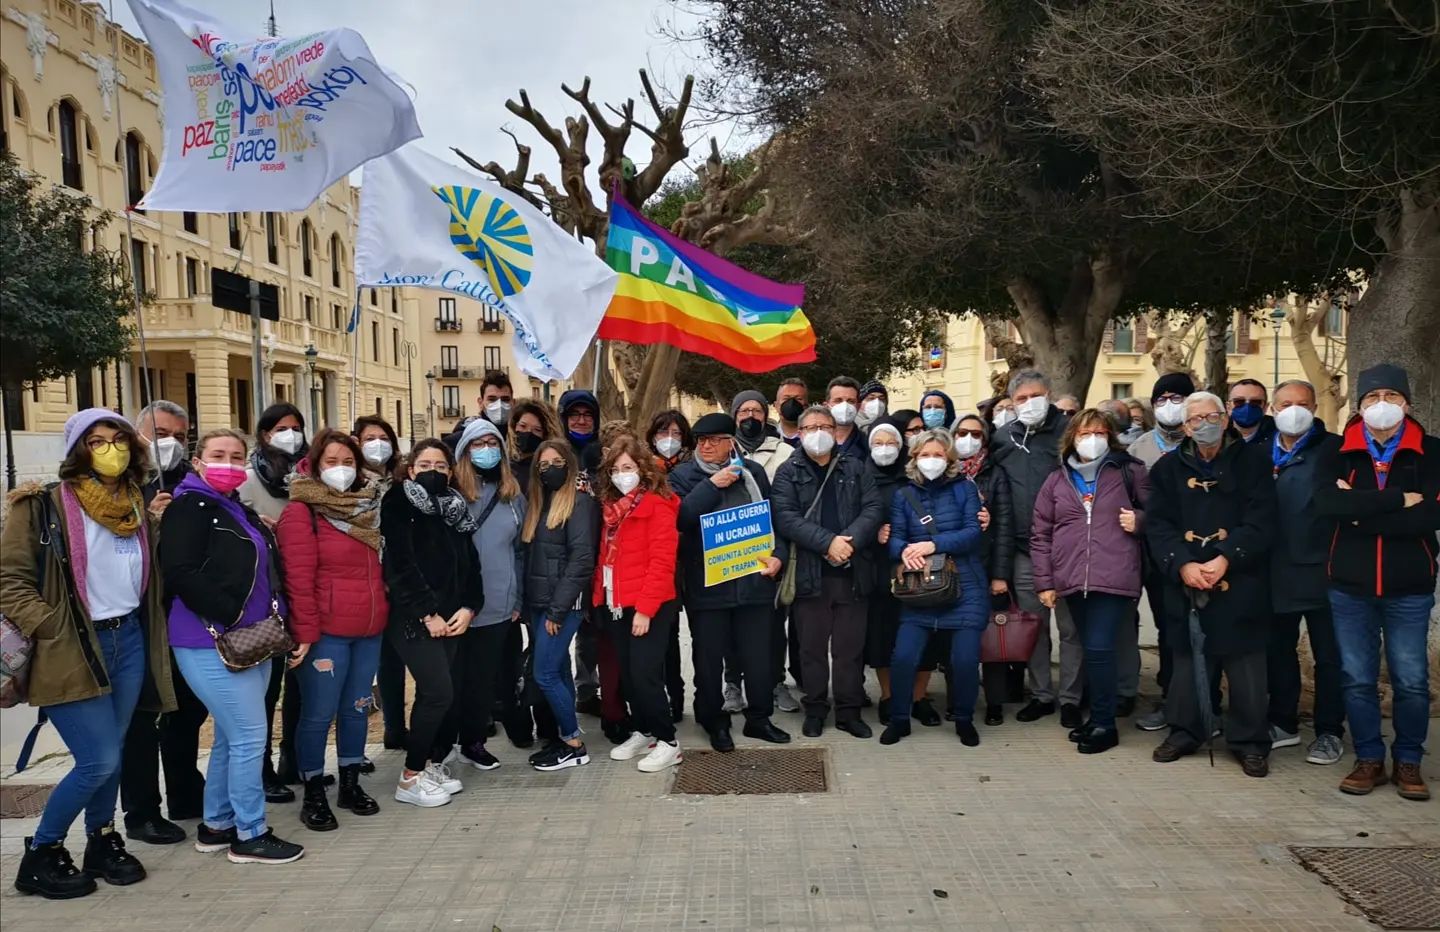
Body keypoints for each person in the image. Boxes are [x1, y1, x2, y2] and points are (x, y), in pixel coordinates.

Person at [2, 410, 175, 897]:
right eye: (95, 441)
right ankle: (41, 852)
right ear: (77, 449)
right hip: (72, 644)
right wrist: (52, 625)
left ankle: (101, 839)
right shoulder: (41, 505)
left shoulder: (134, 504)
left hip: (128, 639)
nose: (109, 449)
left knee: (114, 753)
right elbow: (9, 580)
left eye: (117, 439)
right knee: (96, 760)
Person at [160, 428, 305, 863]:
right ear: (198, 460)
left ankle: (217, 824)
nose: (227, 461)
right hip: (208, 640)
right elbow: (181, 572)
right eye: (217, 454)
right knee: (249, 737)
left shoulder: (233, 507)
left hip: (250, 639)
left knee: (229, 737)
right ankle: (250, 833)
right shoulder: (189, 506)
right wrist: (233, 614)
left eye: (236, 455)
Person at [1315, 364, 1438, 802]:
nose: (1381, 404)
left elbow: (1431, 515)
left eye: (1391, 395)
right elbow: (1326, 505)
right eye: (1372, 397)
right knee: (1357, 678)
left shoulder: (1432, 452)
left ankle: (1408, 760)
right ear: (1359, 404)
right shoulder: (1338, 453)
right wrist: (1393, 502)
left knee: (1411, 679)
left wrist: (1359, 510)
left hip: (1410, 587)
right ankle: (1368, 757)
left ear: (1407, 402)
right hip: (1350, 585)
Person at [1146, 392, 1277, 777]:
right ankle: (1187, 730)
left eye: (1211, 416)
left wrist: (1225, 557)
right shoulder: (1167, 469)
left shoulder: (1253, 462)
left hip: (1240, 578)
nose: (1203, 424)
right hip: (1186, 580)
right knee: (1188, 661)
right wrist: (1183, 563)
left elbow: (1263, 520)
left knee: (1246, 667)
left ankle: (1250, 741)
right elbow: (1158, 525)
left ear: (1225, 419)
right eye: (1195, 418)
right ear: (1185, 426)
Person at [277, 430, 387, 831]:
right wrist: (304, 633)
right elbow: (297, 579)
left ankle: (350, 782)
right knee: (319, 714)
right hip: (325, 631)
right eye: (331, 461)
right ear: (314, 465)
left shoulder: (370, 508)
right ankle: (314, 790)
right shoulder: (301, 512)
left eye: (347, 462)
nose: (340, 469)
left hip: (369, 628)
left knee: (357, 708)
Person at [669, 414, 791, 752]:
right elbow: (679, 519)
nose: (706, 446)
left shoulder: (753, 473)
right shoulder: (682, 475)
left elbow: (773, 518)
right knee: (708, 661)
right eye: (700, 440)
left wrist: (778, 554)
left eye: (714, 439)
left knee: (758, 657)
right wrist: (712, 486)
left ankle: (759, 718)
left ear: (730, 441)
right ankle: (713, 720)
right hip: (708, 588)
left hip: (753, 584)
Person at [1031, 410, 1150, 755]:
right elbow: (1040, 534)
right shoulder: (1057, 479)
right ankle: (1096, 718)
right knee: (1088, 646)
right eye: (1085, 432)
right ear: (1072, 438)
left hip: (1114, 575)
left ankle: (1104, 724)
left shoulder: (1129, 472)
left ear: (1110, 436)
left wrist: (1140, 520)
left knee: (1099, 648)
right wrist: (1044, 582)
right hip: (1070, 578)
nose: (1092, 438)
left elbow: (1160, 513)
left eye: (1099, 431)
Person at [120, 400, 206, 847]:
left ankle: (185, 792)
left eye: (178, 434)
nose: (167, 442)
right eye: (159, 432)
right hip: (136, 623)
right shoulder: (123, 486)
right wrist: (149, 522)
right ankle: (141, 811)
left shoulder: (187, 484)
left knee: (187, 712)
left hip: (181, 619)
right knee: (141, 720)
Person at [771, 405, 884, 739]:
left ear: (836, 431)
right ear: (800, 433)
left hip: (852, 573)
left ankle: (849, 712)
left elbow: (874, 507)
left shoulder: (856, 467)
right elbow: (785, 517)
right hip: (810, 576)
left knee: (850, 650)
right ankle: (816, 708)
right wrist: (827, 543)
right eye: (809, 427)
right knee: (811, 650)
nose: (817, 432)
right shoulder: (787, 471)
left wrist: (849, 542)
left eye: (824, 426)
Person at [380, 440, 483, 807]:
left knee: (434, 694)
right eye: (425, 464)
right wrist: (428, 614)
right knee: (439, 692)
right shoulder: (397, 503)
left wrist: (470, 607)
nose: (433, 472)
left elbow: (471, 564)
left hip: (453, 618)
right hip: (414, 618)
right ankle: (409, 778)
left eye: (441, 466)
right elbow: (400, 566)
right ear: (410, 470)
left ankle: (426, 764)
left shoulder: (455, 509)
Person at [880, 429, 988, 746]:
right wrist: (903, 552)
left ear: (950, 459)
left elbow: (972, 534)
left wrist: (931, 544)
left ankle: (965, 719)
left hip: (965, 586)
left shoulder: (966, 490)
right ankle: (900, 719)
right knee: (903, 657)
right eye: (925, 454)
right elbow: (896, 537)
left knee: (965, 661)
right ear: (914, 458)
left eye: (938, 454)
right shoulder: (904, 495)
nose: (932, 460)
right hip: (921, 587)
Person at [990, 369, 1083, 728]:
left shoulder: (1070, 434)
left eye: (1036, 395)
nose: (1029, 403)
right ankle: (1043, 694)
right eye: (1021, 399)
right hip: (1023, 550)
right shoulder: (1003, 438)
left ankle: (1073, 698)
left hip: (1069, 550)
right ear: (1012, 404)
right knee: (1033, 627)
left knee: (1072, 629)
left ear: (1049, 394)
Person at [1262, 380, 1346, 766]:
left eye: (1302, 403)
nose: (1293, 410)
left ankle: (1330, 731)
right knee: (1279, 651)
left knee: (1329, 656)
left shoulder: (1335, 449)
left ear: (1314, 408)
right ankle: (1283, 722)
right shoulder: (1259, 451)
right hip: (1274, 570)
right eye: (1285, 404)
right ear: (1273, 409)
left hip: (1325, 568)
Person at [592, 437, 685, 771]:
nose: (622, 475)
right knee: (627, 675)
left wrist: (645, 609)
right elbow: (605, 558)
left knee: (645, 673)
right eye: (616, 470)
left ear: (643, 469)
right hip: (616, 603)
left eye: (628, 468)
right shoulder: (611, 510)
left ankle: (668, 740)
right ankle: (644, 730)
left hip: (649, 605)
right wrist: (599, 600)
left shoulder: (658, 505)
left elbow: (662, 562)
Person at [440, 419, 527, 772]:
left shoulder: (513, 496)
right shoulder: (450, 495)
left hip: (499, 605)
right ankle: (442, 745)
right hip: (456, 607)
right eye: (478, 443)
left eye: (493, 443)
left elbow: (520, 551)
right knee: (450, 682)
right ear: (464, 452)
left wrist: (517, 599)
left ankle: (473, 742)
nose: (486, 449)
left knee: (482, 682)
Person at [239, 402, 307, 801]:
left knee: (301, 685)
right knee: (266, 690)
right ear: (265, 434)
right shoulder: (248, 481)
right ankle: (261, 771)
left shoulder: (305, 477)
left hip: (299, 594)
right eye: (282, 427)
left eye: (296, 427)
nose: (290, 435)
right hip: (264, 599)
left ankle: (293, 760)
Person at [523, 441, 600, 771]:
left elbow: (582, 560)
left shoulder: (580, 503)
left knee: (544, 673)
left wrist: (557, 610)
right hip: (541, 603)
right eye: (542, 464)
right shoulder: (539, 504)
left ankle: (572, 743)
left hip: (563, 606)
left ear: (569, 465)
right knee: (558, 671)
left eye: (556, 461)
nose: (549, 468)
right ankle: (568, 737)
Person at [1127, 373, 1196, 731]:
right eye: (1162, 399)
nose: (1169, 404)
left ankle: (1205, 703)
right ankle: (1171, 699)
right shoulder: (1138, 449)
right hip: (1158, 556)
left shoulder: (1204, 441)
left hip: (1203, 553)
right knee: (1170, 630)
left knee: (1202, 631)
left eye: (1177, 397)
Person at [952, 414, 1019, 726]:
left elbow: (1005, 526)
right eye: (962, 433)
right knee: (956, 639)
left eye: (975, 434)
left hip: (985, 565)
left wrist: (1000, 575)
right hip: (951, 571)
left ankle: (994, 702)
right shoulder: (945, 471)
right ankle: (957, 700)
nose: (968, 439)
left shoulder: (996, 474)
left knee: (991, 639)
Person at [861, 420, 929, 726]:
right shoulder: (861, 476)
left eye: (891, 443)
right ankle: (888, 695)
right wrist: (872, 530)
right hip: (878, 567)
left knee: (924, 631)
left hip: (917, 563)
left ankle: (919, 697)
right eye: (878, 443)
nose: (884, 449)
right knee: (882, 634)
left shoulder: (916, 478)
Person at [353, 415, 408, 750]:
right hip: (364, 583)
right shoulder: (350, 484)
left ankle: (396, 726)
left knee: (394, 658)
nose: (377, 444)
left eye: (383, 437)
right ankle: (365, 739)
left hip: (399, 581)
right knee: (367, 663)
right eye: (369, 437)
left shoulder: (402, 480)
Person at [557, 389, 603, 715]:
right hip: (565, 556)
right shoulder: (556, 456)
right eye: (575, 415)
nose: (582, 420)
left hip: (603, 552)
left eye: (588, 415)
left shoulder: (605, 454)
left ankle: (588, 691)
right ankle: (557, 696)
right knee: (560, 626)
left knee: (592, 629)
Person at [733, 390, 794, 481]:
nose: (751, 415)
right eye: (744, 411)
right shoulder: (723, 451)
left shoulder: (786, 452)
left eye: (757, 411)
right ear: (734, 415)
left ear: (765, 417)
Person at [508, 399, 560, 489]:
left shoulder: (549, 468)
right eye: (523, 426)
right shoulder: (504, 463)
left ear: (546, 435)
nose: (528, 432)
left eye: (537, 430)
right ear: (514, 426)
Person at [824, 376, 866, 458]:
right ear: (826, 406)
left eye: (851, 401)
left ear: (858, 406)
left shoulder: (868, 444)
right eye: (838, 400)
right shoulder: (814, 441)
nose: (845, 406)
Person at [647, 409, 695, 475]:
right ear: (653, 437)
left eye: (676, 433)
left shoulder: (693, 464)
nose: (670, 438)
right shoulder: (642, 464)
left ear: (684, 437)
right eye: (663, 432)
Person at [1229, 379, 1275, 445]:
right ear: (1228, 407)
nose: (1247, 407)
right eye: (1239, 401)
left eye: (1255, 402)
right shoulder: (1217, 439)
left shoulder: (1280, 439)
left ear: (1265, 407)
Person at [775, 377, 809, 446]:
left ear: (806, 406)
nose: (792, 402)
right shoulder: (767, 437)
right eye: (786, 398)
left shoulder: (814, 437)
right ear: (776, 405)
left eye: (798, 399)